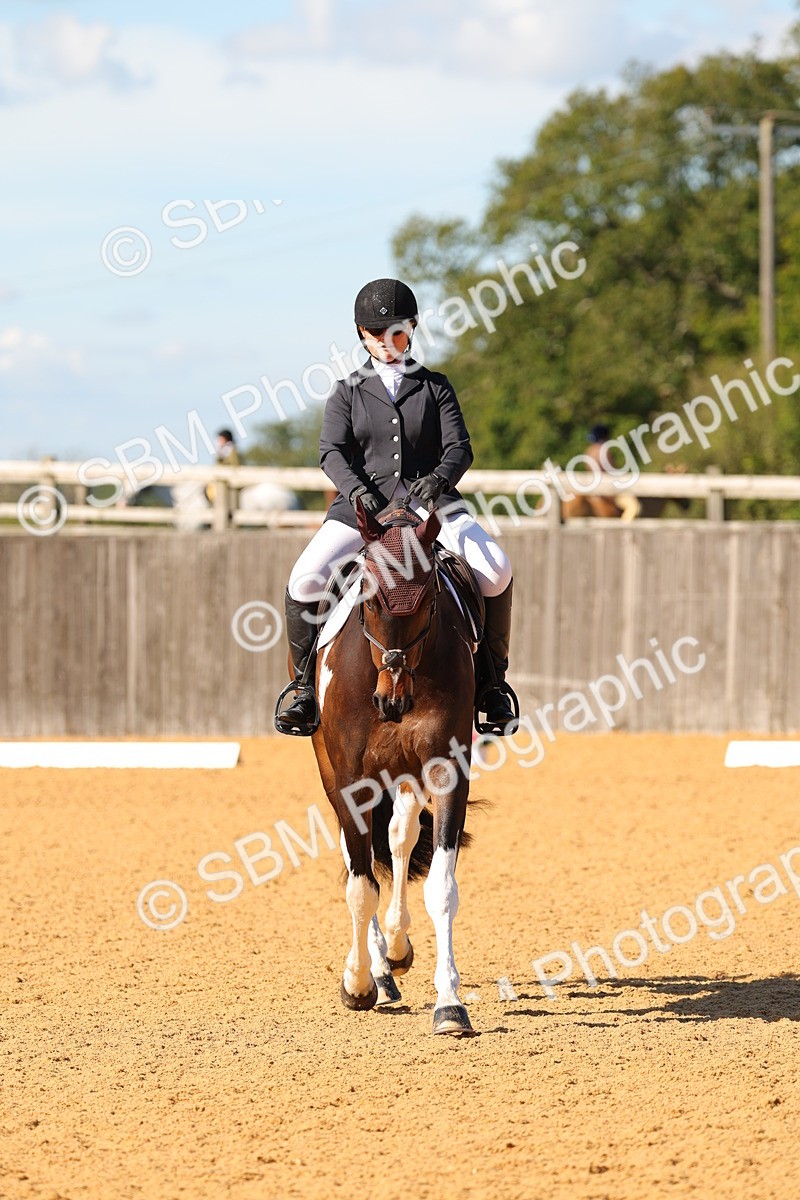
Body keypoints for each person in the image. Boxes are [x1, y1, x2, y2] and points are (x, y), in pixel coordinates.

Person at [274, 277, 518, 736]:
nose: (388, 344)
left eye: (398, 335)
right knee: (305, 578)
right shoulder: (347, 391)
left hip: (432, 509)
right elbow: (331, 451)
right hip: (362, 511)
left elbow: (459, 449)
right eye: (377, 336)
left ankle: (491, 686)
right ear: (361, 336)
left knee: (497, 568)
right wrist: (355, 490)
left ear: (413, 330)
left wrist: (437, 481)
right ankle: (303, 688)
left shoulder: (436, 387)